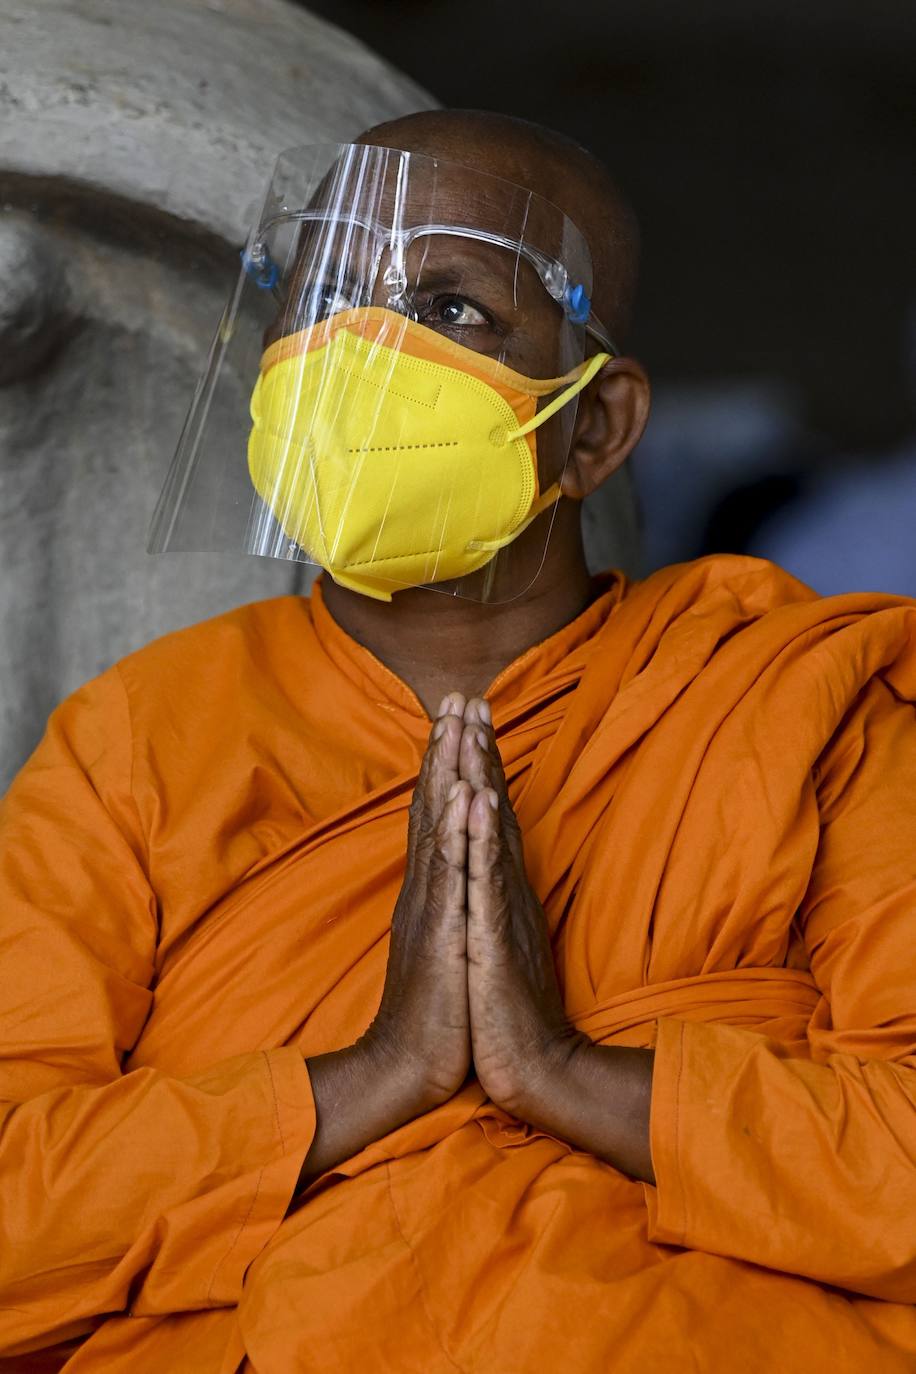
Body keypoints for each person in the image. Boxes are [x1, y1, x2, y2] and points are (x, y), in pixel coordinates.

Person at [1, 109, 914, 1373]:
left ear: (593, 430)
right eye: (323, 296)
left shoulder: (793, 700)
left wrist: (559, 1071)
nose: (354, 352)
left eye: (454, 308)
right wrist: (370, 1078)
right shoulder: (134, 743)